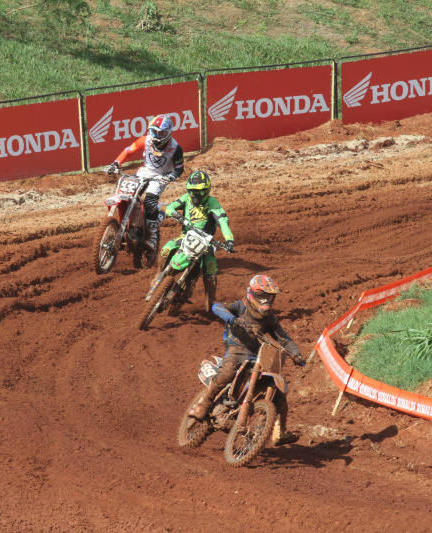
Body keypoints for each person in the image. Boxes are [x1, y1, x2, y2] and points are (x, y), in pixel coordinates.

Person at [190, 275, 306, 446]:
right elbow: (217, 306)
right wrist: (234, 319)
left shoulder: (270, 319)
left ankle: (279, 431)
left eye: (269, 296)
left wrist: (297, 354)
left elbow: (284, 338)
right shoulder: (240, 306)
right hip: (235, 349)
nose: (266, 300)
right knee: (227, 371)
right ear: (252, 293)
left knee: (279, 392)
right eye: (262, 296)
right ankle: (205, 403)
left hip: (257, 355)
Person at [105, 114, 184, 250]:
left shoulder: (175, 148)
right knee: (129, 196)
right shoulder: (145, 140)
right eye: (155, 132)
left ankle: (152, 236)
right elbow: (129, 151)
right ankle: (131, 225)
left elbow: (179, 168)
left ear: (168, 133)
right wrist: (116, 164)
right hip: (145, 171)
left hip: (162, 175)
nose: (158, 136)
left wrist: (171, 177)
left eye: (162, 133)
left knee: (149, 202)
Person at [162, 170, 234, 308]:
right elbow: (170, 206)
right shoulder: (186, 198)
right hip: (185, 236)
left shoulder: (213, 203)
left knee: (211, 270)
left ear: (207, 190)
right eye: (192, 191)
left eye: (199, 192)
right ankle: (159, 275)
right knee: (166, 249)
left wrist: (229, 240)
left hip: (206, 243)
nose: (195, 195)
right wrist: (173, 213)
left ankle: (211, 303)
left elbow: (222, 221)